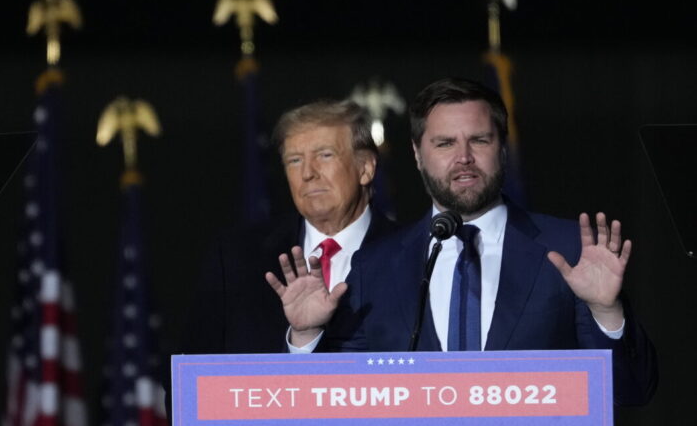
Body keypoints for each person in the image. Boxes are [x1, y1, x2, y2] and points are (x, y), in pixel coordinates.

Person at [265, 78, 657, 406]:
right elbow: (333, 399)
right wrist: (306, 338)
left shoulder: (570, 249)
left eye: (479, 140)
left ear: (502, 148)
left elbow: (630, 392)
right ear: (418, 154)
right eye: (445, 143)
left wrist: (607, 313)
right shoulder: (376, 264)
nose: (464, 157)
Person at [181, 100, 396, 354]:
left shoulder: (417, 255)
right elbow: (187, 374)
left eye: (324, 155)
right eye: (294, 160)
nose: (307, 173)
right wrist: (302, 342)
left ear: (366, 168)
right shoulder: (235, 259)